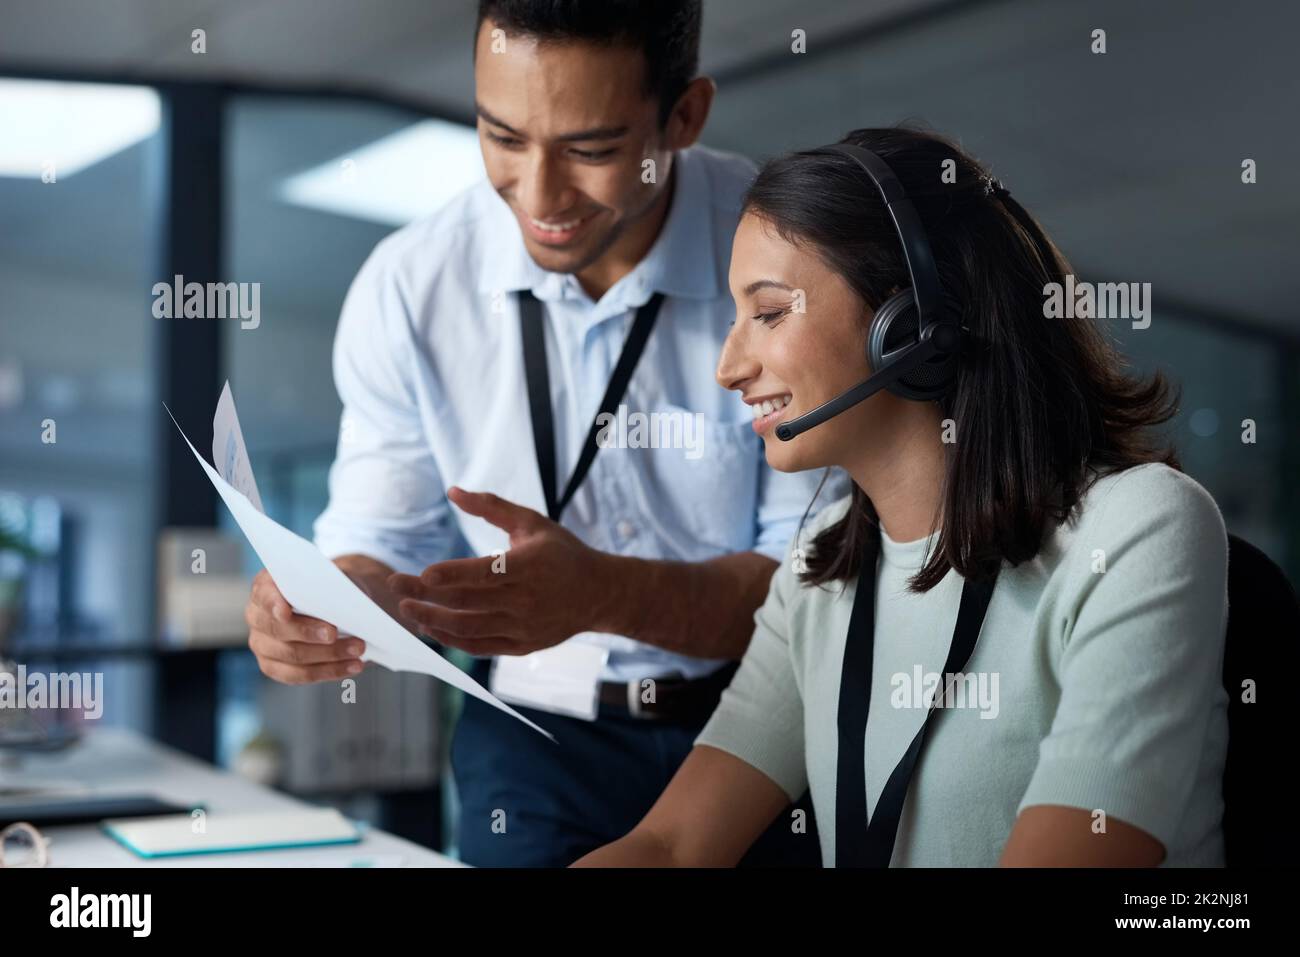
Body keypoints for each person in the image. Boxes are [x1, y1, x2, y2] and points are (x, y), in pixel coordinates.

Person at [243, 0, 842, 867]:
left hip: (766, 716)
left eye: (591, 150)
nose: (539, 195)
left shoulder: (785, 259)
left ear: (684, 115)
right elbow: (383, 542)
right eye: (502, 136)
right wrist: (331, 604)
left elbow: (813, 591)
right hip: (528, 739)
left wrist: (601, 592)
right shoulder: (411, 286)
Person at [574, 126, 1230, 867]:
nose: (729, 366)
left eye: (768, 312)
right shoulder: (816, 574)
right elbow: (670, 845)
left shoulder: (1138, 529)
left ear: (910, 324)